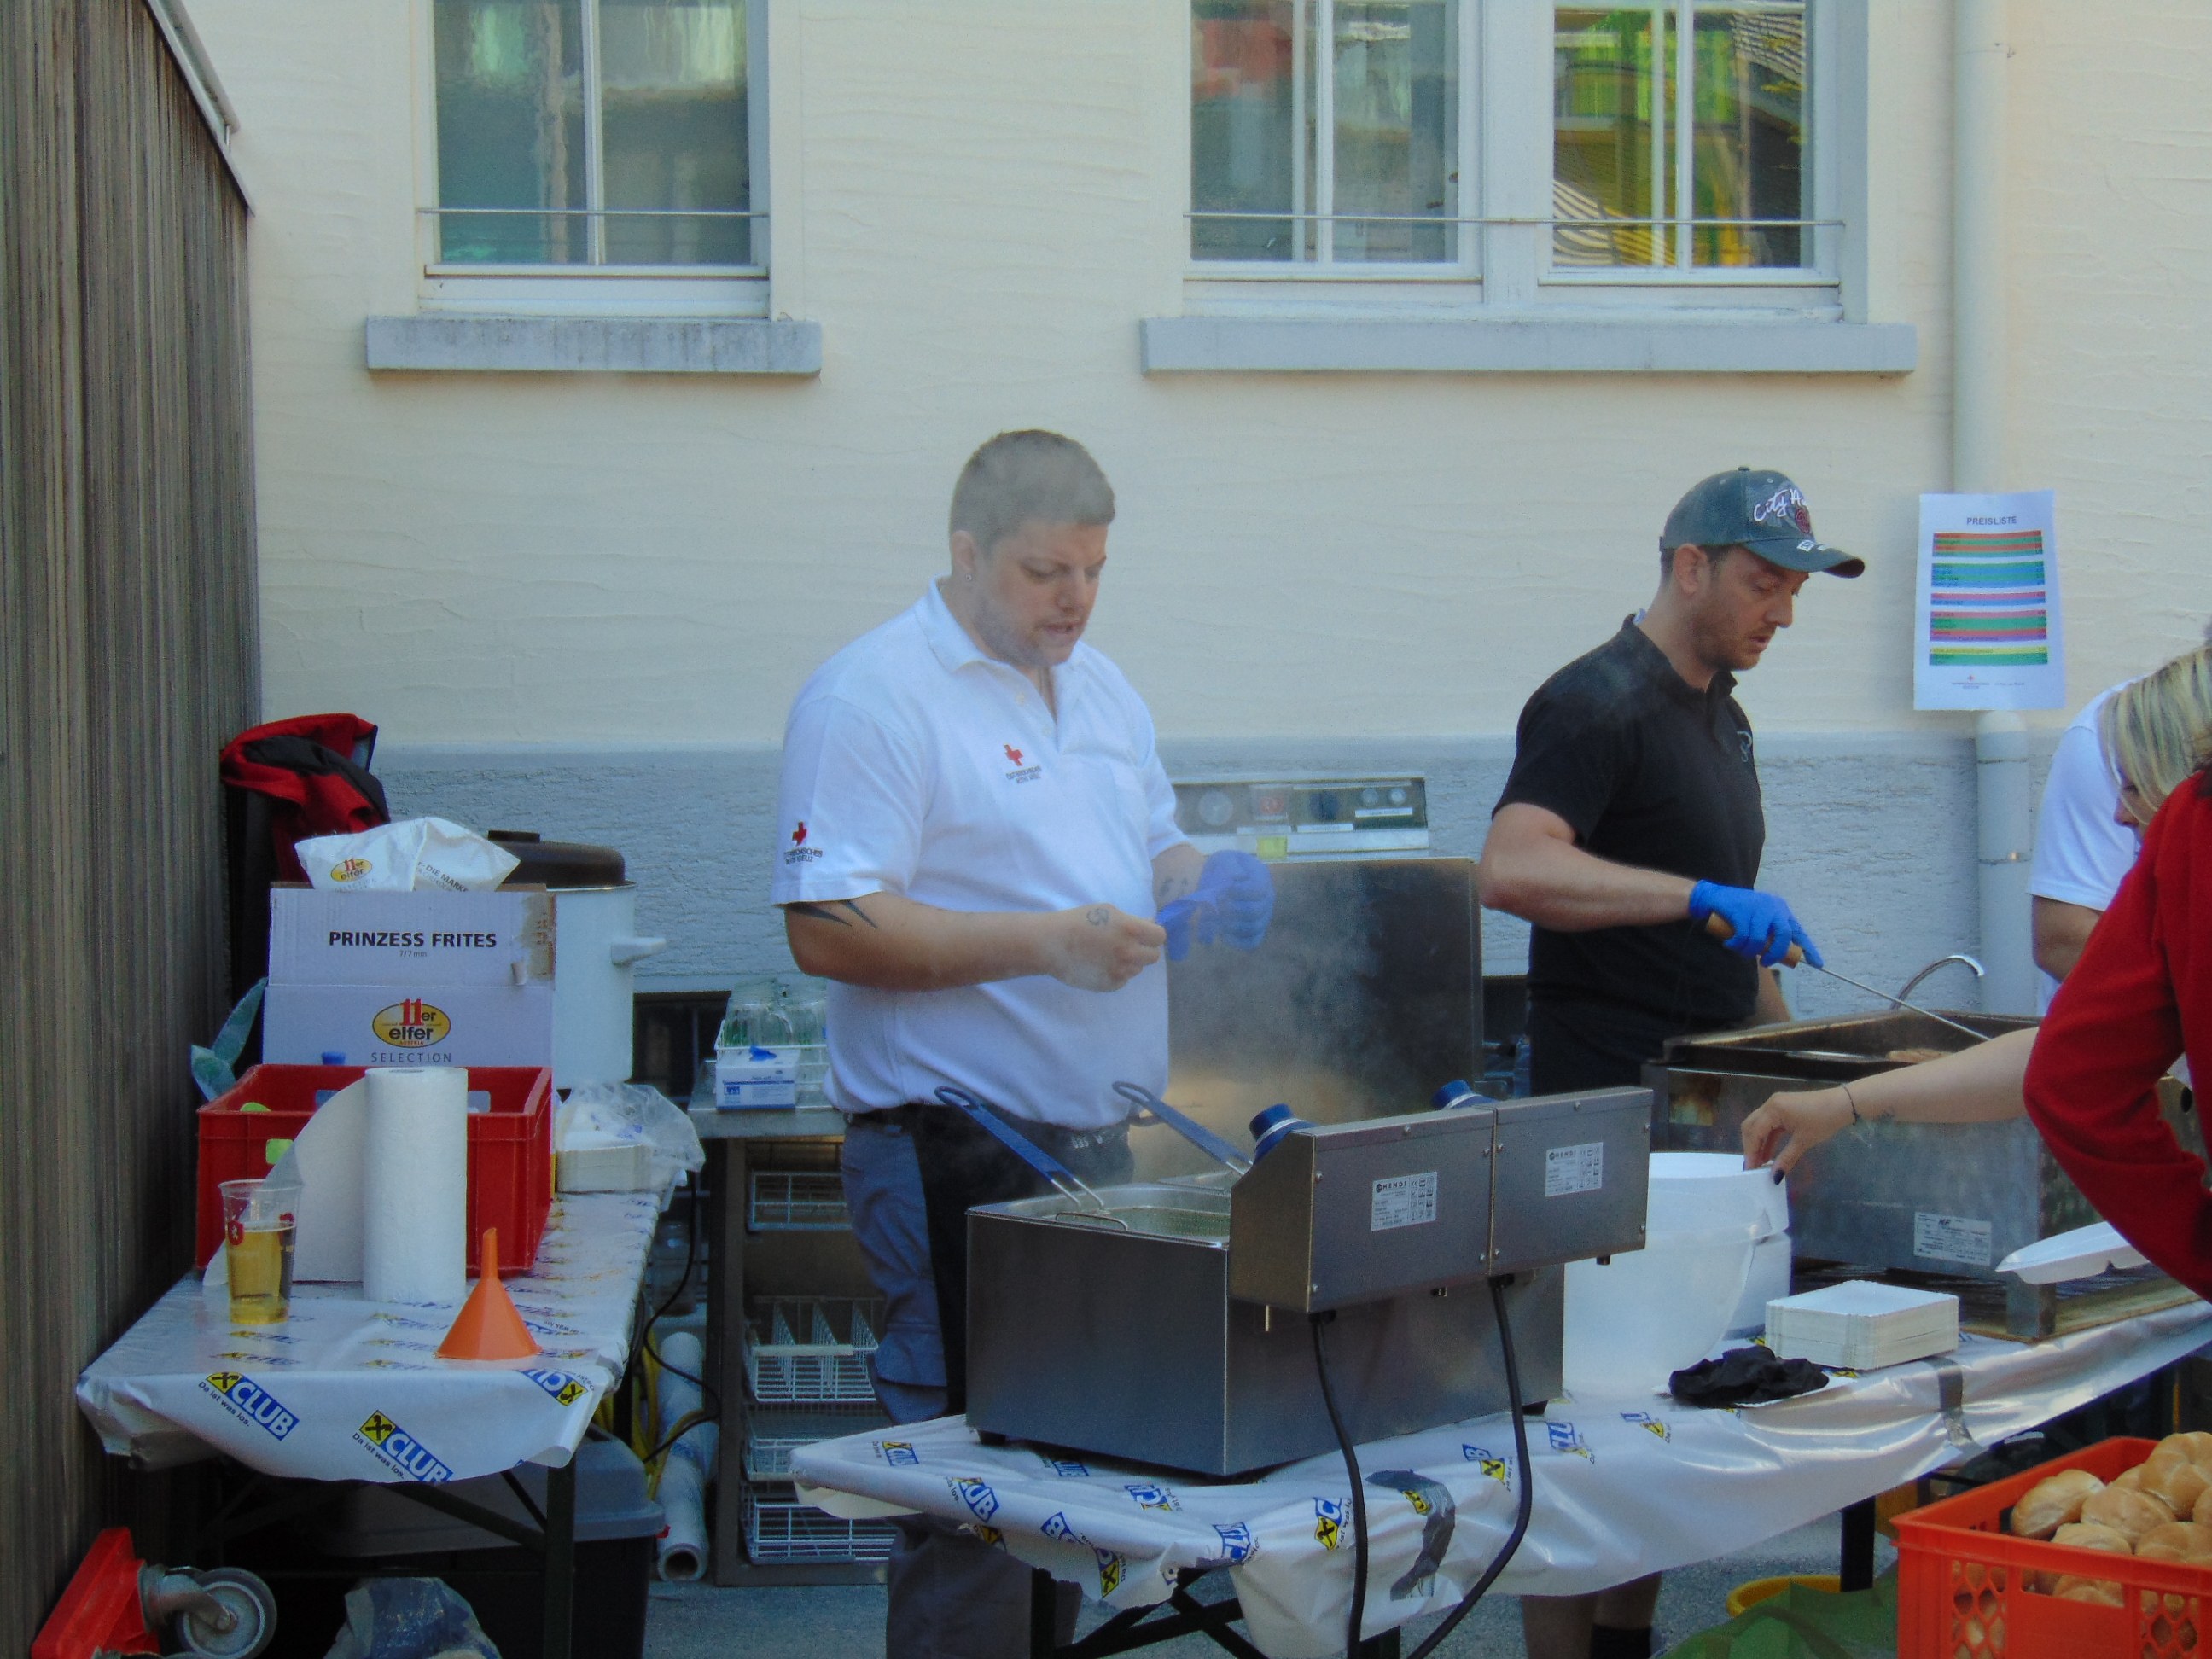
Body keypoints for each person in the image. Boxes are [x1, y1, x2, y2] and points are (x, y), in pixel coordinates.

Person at [770, 429, 1273, 1659]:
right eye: (1046, 572)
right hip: (949, 1150)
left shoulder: (1100, 688)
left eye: (1094, 571)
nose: (1075, 599)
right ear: (966, 552)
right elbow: (827, 926)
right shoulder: (873, 695)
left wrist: (1202, 877)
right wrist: (1046, 944)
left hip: (1094, 1150)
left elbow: (1151, 846)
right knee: (971, 1495)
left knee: (1077, 1481)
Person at [1478, 468, 1862, 1659]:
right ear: (1690, 566)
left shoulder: (1723, 718)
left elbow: (1736, 937)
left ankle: (1624, 1649)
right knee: (1581, 1423)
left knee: (1672, 1417)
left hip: (1698, 1121)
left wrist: (1790, 1073)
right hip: (1598, 1109)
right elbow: (1513, 867)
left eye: (1795, 592)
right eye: (1764, 583)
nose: (1782, 613)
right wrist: (1696, 896)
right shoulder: (1592, 703)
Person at [1743, 644, 2212, 1179]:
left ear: (2186, 786)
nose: (2120, 815)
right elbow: (2059, 1056)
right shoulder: (2169, 917)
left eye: (2134, 786)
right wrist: (1843, 1103)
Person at [2024, 647, 2212, 1300]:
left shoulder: (2191, 826)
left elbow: (2073, 1079)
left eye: (2131, 786)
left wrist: (2200, 1246)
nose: (2119, 815)